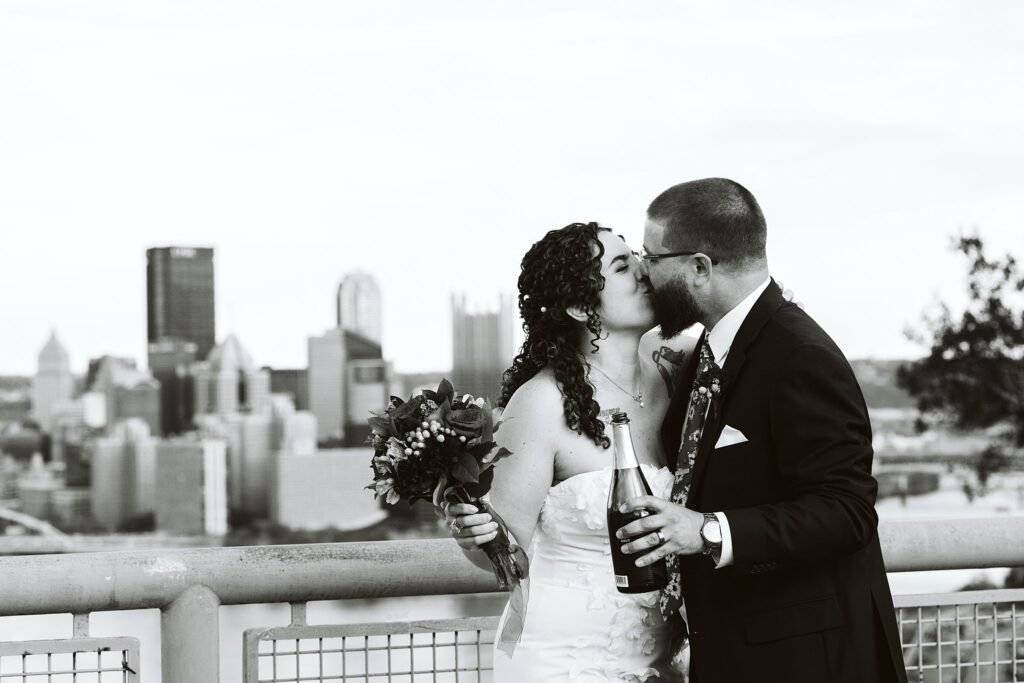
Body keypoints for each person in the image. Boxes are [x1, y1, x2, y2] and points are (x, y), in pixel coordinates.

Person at [616, 178, 908, 682]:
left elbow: (847, 511)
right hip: (733, 653)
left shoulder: (800, 356)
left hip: (805, 662)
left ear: (699, 268)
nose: (644, 271)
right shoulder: (704, 355)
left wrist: (707, 530)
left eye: (651, 256)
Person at [444, 221, 697, 681]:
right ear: (582, 307)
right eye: (622, 267)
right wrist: (477, 537)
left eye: (636, 258)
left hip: (661, 657)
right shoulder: (540, 403)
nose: (643, 271)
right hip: (567, 658)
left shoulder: (674, 369)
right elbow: (508, 556)